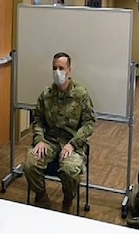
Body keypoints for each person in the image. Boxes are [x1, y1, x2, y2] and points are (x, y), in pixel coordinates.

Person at [23, 52, 96, 213]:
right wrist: (39, 140)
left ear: (69, 70)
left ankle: (68, 198)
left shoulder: (80, 94)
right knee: (30, 164)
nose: (58, 72)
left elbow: (89, 122)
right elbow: (38, 120)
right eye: (54, 68)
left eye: (61, 68)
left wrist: (73, 144)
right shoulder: (46, 94)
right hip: (49, 141)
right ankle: (42, 196)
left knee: (70, 171)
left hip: (72, 143)